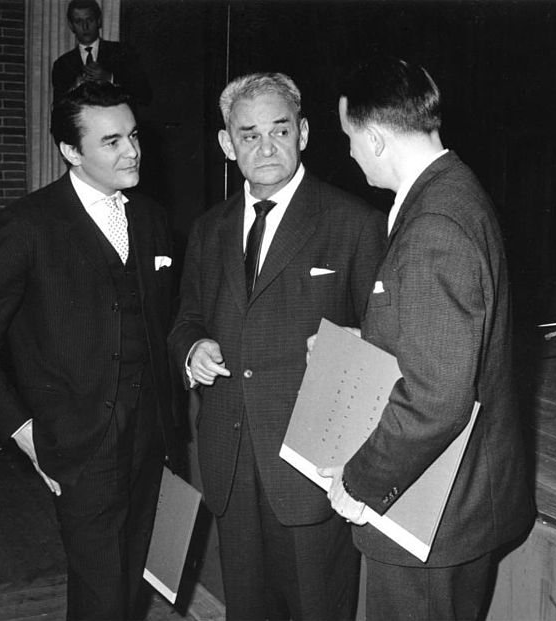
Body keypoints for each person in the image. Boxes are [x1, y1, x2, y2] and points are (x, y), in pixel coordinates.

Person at [319, 56, 535, 621]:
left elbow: (437, 399)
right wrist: (362, 341)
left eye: (349, 138)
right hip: (454, 505)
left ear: (376, 138)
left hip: (433, 522)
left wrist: (359, 481)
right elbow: (434, 333)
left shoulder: (434, 224)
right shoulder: (453, 190)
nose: (348, 153)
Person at [168, 72, 386, 620]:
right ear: (227, 144)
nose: (265, 147)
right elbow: (185, 319)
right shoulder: (208, 229)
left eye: (279, 130)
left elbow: (389, 342)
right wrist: (191, 348)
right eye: (248, 135)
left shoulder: (354, 223)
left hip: (314, 470)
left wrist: (359, 345)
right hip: (231, 464)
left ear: (304, 133)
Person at [0, 81, 178, 620]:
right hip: (77, 445)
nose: (131, 151)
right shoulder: (25, 227)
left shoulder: (151, 218)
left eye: (132, 135)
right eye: (111, 142)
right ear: (71, 151)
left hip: (150, 440)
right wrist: (23, 432)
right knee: (101, 593)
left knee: (132, 582)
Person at [52, 0, 152, 106]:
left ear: (99, 21)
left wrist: (110, 78)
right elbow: (58, 108)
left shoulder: (123, 52)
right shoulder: (62, 65)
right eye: (78, 21)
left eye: (89, 20)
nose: (85, 26)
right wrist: (75, 86)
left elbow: (144, 95)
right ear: (71, 25)